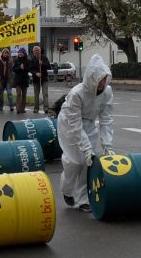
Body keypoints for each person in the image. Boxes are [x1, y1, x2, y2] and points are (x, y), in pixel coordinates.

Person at [58, 54, 115, 212]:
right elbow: (75, 124)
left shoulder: (107, 92)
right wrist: (85, 147)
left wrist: (107, 145)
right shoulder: (77, 93)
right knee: (75, 161)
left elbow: (106, 119)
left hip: (89, 123)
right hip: (68, 124)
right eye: (100, 80)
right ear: (92, 78)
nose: (102, 83)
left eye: (105, 79)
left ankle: (83, 199)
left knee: (88, 162)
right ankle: (67, 190)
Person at [29, 45, 51, 114]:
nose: (36, 52)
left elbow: (49, 67)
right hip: (36, 80)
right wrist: (36, 73)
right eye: (35, 50)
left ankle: (46, 108)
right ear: (33, 52)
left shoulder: (44, 58)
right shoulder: (32, 59)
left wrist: (43, 64)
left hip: (44, 79)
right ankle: (36, 108)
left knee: (45, 94)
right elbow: (30, 69)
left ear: (40, 51)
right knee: (36, 94)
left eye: (37, 50)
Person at [0, 48, 16, 113]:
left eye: (7, 53)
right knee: (1, 94)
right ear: (3, 53)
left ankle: (11, 106)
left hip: (8, 79)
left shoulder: (10, 61)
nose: (6, 54)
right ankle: (1, 106)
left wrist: (12, 78)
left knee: (9, 93)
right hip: (1, 80)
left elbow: (12, 70)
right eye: (5, 53)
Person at [12, 48, 30, 114]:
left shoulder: (27, 60)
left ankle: (23, 109)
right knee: (19, 94)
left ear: (24, 53)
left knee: (24, 95)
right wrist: (19, 67)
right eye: (19, 52)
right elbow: (13, 69)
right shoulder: (16, 60)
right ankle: (18, 108)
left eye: (21, 52)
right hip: (18, 80)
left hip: (25, 80)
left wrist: (24, 68)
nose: (20, 53)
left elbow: (29, 69)